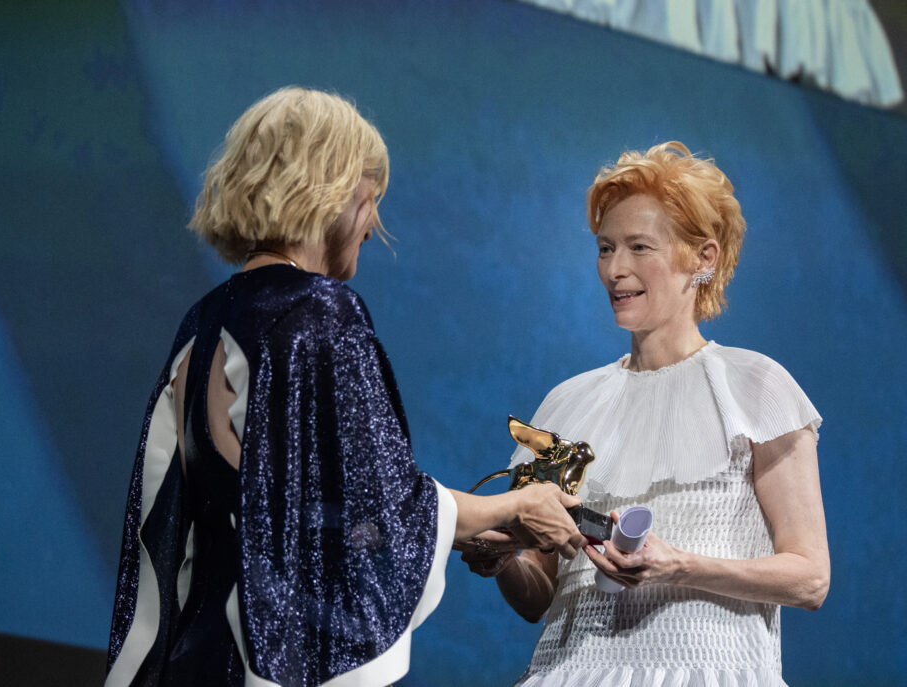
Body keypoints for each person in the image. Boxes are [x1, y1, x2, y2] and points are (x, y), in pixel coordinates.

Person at [105, 87, 586, 687]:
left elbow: (303, 517)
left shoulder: (204, 320)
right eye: (370, 197)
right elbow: (380, 502)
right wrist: (516, 504)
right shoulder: (321, 313)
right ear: (327, 190)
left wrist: (468, 525)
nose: (373, 223)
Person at [461, 142, 829, 686]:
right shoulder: (567, 404)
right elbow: (537, 598)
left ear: (703, 259)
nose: (615, 269)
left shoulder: (756, 387)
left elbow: (809, 578)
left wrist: (679, 566)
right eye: (605, 248)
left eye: (639, 247)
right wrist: (503, 559)